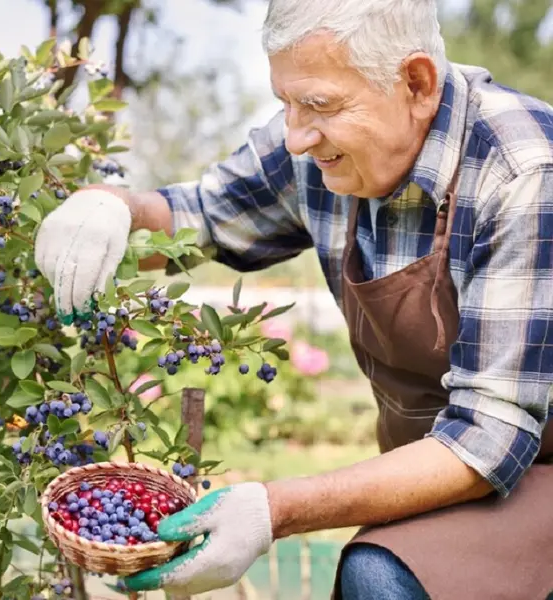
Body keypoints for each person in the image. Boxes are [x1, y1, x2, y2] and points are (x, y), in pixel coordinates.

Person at [34, 0, 553, 597]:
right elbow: (195, 217)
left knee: (382, 576)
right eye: (286, 103)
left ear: (416, 82)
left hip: (524, 459)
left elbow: (489, 440)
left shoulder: (521, 173)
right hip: (455, 469)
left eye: (319, 105)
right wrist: (110, 210)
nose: (297, 137)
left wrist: (272, 510)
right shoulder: (322, 151)